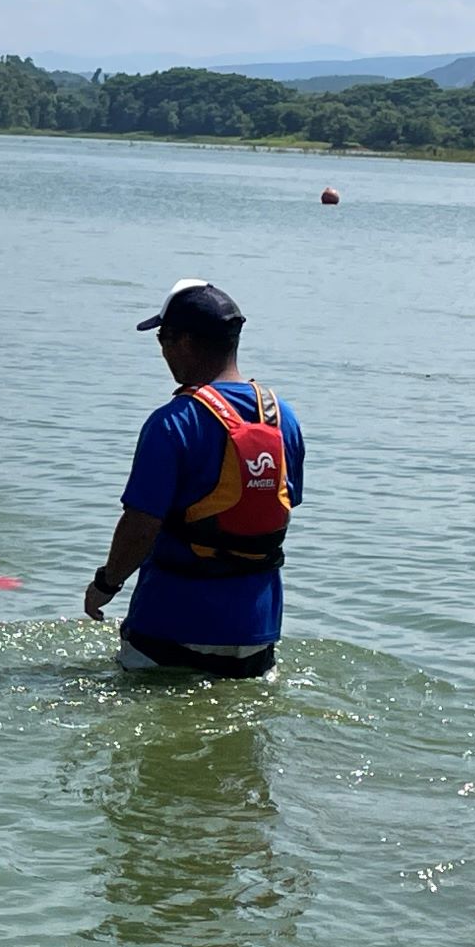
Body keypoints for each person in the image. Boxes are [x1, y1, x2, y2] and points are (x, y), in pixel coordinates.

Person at [83, 279, 304, 678]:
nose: (163, 352)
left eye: (162, 339)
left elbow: (140, 526)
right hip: (255, 636)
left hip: (169, 631)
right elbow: (278, 511)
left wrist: (106, 584)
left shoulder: (173, 423)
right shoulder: (283, 418)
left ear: (183, 341)